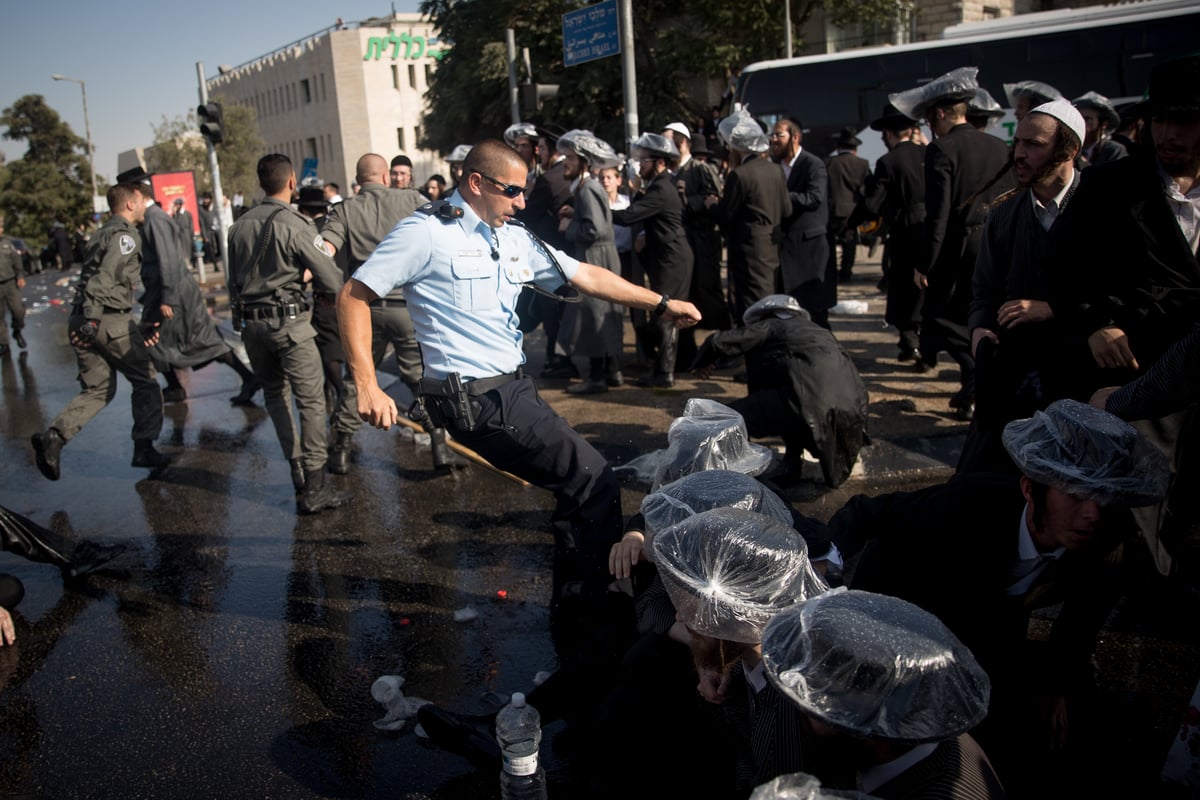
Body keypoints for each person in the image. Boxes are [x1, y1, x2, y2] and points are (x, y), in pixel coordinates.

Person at [337, 138, 701, 597]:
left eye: (524, 190)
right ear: (475, 183)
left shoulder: (510, 236)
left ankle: (579, 601)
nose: (522, 201)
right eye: (512, 190)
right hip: (476, 399)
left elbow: (585, 275)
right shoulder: (425, 232)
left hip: (512, 391)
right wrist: (367, 385)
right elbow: (353, 294)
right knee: (590, 479)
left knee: (579, 484)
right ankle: (592, 608)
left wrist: (661, 303)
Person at [828, 399, 1170, 793]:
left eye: (1104, 497)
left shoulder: (1108, 543)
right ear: (1030, 487)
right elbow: (866, 511)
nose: (1092, 513)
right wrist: (823, 573)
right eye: (1075, 494)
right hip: (905, 594)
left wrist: (1055, 686)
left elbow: (1082, 619)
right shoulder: (966, 503)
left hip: (991, 614)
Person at [1047, 55, 1200, 582]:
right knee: (1114, 516)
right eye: (1161, 120)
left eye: (1186, 121)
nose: (1170, 134)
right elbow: (1063, 276)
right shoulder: (1111, 186)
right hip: (1131, 375)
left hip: (1194, 377)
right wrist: (1096, 325)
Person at [760, 588, 1006, 799]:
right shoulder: (903, 734)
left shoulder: (945, 792)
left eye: (816, 705)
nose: (798, 711)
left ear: (868, 727)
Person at [654, 506, 829, 795]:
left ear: (735, 609)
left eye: (691, 606)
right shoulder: (757, 659)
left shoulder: (787, 717)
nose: (680, 617)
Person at [961, 100, 1084, 473]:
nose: (1020, 153)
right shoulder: (1003, 214)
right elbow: (984, 290)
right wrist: (980, 331)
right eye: (1019, 143)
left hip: (1079, 372)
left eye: (1034, 144)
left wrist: (1054, 308)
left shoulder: (1099, 206)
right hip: (1014, 376)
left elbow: (1120, 290)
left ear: (1068, 150)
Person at [891, 67, 1013, 420]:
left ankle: (975, 381)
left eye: (930, 120)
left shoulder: (941, 150)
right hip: (998, 243)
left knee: (944, 319)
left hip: (961, 248)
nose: (931, 127)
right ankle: (976, 385)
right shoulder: (997, 145)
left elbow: (938, 214)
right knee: (986, 316)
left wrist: (925, 263)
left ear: (941, 114)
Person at [227, 154, 346, 514]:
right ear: (292, 181)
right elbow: (329, 277)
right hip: (290, 326)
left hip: (252, 327)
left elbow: (234, 282)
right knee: (310, 401)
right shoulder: (295, 224)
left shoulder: (239, 225)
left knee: (275, 396)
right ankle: (315, 485)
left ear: (261, 182)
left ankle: (295, 467)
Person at [319, 153, 452, 472]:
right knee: (417, 377)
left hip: (363, 308)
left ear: (359, 179)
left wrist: (332, 286)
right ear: (384, 176)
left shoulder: (345, 209)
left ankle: (340, 449)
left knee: (358, 379)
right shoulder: (410, 199)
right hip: (405, 306)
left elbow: (324, 249)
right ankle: (439, 445)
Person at [31, 184, 170, 480]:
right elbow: (104, 281)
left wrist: (84, 321)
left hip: (87, 318)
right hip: (106, 320)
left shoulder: (101, 232)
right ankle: (143, 447)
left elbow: (92, 280)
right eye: (142, 201)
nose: (146, 206)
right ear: (131, 204)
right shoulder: (126, 237)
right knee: (146, 381)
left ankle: (54, 437)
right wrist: (92, 322)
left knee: (97, 389)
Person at [692, 295, 868, 488]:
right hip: (851, 414)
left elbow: (717, 341)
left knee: (730, 420)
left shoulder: (771, 326)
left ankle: (739, 482)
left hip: (809, 408)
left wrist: (701, 363)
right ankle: (791, 465)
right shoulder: (821, 333)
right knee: (790, 399)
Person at [131, 179, 260, 406]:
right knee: (199, 340)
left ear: (136, 195)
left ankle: (177, 387)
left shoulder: (155, 219)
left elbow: (169, 261)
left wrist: (168, 298)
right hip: (172, 293)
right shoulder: (152, 219)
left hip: (174, 296)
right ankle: (246, 378)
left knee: (156, 339)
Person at [612, 133, 695, 388]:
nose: (640, 166)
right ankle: (676, 363)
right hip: (667, 257)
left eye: (644, 161)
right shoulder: (658, 186)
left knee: (666, 315)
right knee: (666, 313)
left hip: (672, 259)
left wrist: (594, 209)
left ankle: (664, 374)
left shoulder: (661, 189)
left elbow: (628, 217)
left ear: (660, 162)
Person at [847, 104, 926, 361]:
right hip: (931, 228)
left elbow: (872, 204)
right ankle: (925, 341)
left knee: (903, 286)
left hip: (903, 231)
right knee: (926, 285)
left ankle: (909, 340)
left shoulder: (887, 161)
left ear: (890, 135)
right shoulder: (928, 153)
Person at [554, 130, 625, 395]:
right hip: (599, 256)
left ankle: (598, 378)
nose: (566, 163)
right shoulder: (588, 188)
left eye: (570, 157)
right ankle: (610, 372)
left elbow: (594, 230)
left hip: (596, 257)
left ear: (584, 160)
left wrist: (568, 227)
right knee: (599, 317)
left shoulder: (587, 188)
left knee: (594, 317)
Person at [713, 109, 789, 327]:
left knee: (751, 304)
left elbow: (726, 214)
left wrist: (711, 205)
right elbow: (787, 209)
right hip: (772, 247)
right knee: (768, 299)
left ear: (737, 146)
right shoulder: (776, 171)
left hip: (749, 249)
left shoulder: (740, 174)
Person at [663, 121, 729, 364]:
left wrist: (687, 199)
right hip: (682, 246)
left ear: (681, 141)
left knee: (709, 293)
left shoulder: (700, 169)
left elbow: (713, 201)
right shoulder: (672, 173)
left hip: (703, 244)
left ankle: (724, 347)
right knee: (685, 296)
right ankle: (687, 352)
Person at [770, 116, 833, 328]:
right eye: (772, 135)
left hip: (810, 250)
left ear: (795, 137)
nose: (774, 140)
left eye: (779, 134)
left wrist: (782, 195)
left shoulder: (813, 164)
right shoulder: (775, 167)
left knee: (815, 314)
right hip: (784, 248)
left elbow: (814, 198)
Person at [825, 127, 870, 282]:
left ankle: (829, 272)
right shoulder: (863, 164)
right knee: (849, 244)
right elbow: (867, 189)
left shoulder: (829, 163)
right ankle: (846, 272)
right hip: (852, 210)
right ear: (855, 149)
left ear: (839, 147)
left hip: (831, 209)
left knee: (829, 243)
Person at [1072, 91, 1127, 167]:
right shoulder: (1070, 149)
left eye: (1087, 119)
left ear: (1104, 124)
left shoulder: (1114, 150)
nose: (1082, 123)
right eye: (1079, 118)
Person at [0, 217, 27, 357]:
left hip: (10, 282)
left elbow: (17, 260)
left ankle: (17, 330)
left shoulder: (7, 243)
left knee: (18, 311)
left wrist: (20, 276)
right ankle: (4, 344)